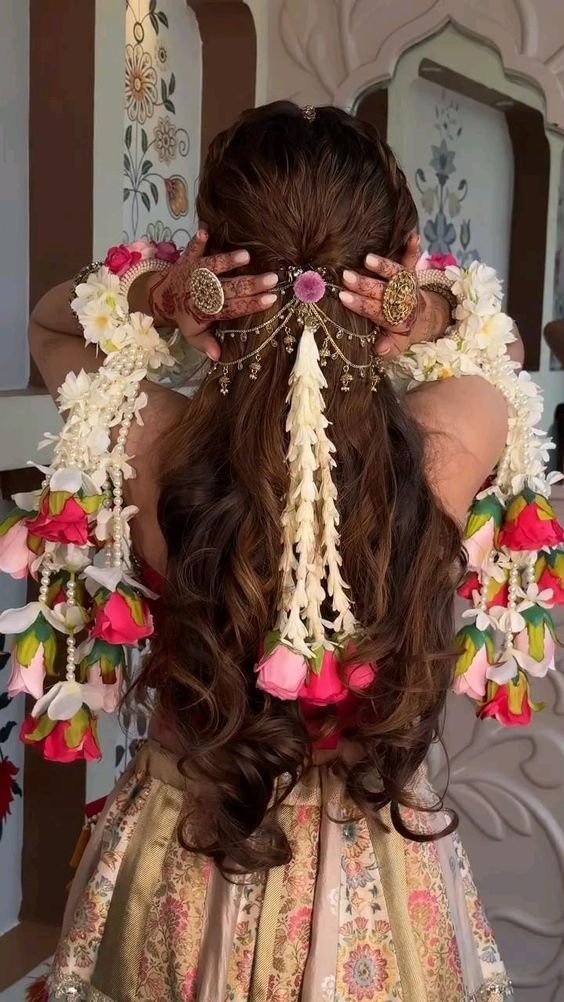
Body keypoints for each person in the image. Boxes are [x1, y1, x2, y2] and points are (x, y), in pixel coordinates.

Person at [23, 103, 519, 1001]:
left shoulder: (154, 439)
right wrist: (430, 307)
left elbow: (53, 325)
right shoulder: (457, 429)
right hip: (381, 887)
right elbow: (505, 344)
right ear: (401, 263)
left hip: (189, 849)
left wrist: (160, 294)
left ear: (209, 251)